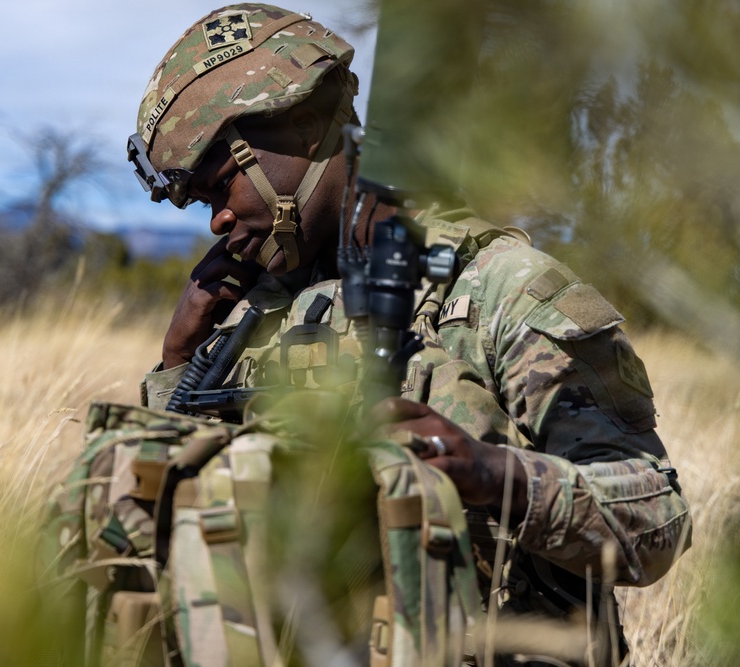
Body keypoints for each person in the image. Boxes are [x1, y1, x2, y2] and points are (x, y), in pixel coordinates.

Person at [119, 3, 691, 664]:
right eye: (197, 200)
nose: (216, 220)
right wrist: (179, 360)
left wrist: (489, 473)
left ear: (301, 128)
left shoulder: (500, 288)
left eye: (219, 185)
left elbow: (654, 519)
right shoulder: (258, 312)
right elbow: (169, 527)